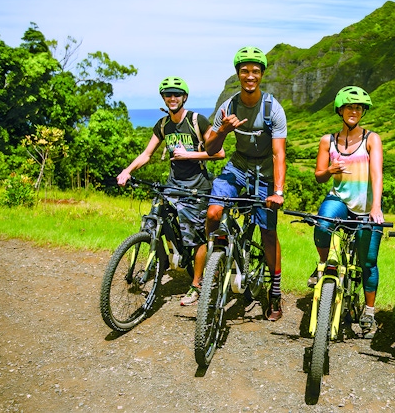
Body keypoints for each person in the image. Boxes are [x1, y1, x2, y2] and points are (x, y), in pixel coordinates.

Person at [117, 76, 225, 306]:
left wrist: (189, 155)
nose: (172, 98)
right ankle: (164, 260)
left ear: (184, 97)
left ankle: (196, 284)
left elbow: (219, 153)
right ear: (163, 99)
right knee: (155, 220)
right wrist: (127, 171)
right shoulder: (163, 124)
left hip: (197, 186)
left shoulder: (197, 120)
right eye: (168, 95)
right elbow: (147, 154)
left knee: (196, 237)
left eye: (176, 94)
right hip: (173, 184)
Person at [205, 46, 287, 321]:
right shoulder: (228, 107)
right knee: (213, 213)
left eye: (255, 71)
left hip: (264, 172)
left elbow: (278, 154)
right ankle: (214, 270)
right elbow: (209, 146)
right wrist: (222, 130)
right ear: (238, 74)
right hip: (237, 168)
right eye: (244, 71)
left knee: (267, 233)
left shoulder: (273, 109)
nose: (249, 76)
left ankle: (274, 294)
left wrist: (277, 191)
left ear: (261, 75)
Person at [309, 86, 385, 339]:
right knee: (322, 224)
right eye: (350, 107)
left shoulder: (371, 138)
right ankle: (322, 265)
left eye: (359, 108)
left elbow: (377, 173)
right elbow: (319, 176)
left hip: (365, 206)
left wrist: (376, 207)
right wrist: (330, 170)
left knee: (368, 262)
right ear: (340, 110)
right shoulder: (327, 140)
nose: (354, 111)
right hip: (339, 198)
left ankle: (369, 310)